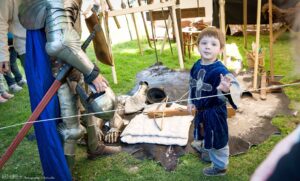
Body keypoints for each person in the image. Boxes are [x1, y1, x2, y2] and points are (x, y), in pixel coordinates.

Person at [187, 27, 241, 176]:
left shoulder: (220, 71)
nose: (207, 46)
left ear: (221, 49)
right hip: (201, 111)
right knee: (205, 131)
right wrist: (191, 101)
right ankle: (207, 149)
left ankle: (220, 166)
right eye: (204, 43)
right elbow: (192, 85)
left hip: (215, 113)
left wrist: (225, 89)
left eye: (213, 44)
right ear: (197, 46)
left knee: (218, 138)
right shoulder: (197, 65)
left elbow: (236, 89)